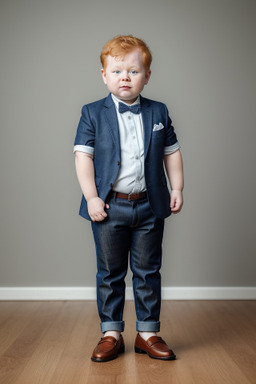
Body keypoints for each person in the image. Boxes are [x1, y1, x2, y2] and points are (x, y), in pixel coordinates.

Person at [74, 35, 184, 362]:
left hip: (150, 204)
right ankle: (111, 332)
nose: (125, 77)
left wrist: (177, 187)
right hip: (109, 206)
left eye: (134, 71)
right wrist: (92, 197)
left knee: (148, 271)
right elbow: (83, 157)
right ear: (104, 75)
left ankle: (148, 332)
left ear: (146, 76)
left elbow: (172, 153)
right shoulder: (93, 113)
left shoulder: (158, 111)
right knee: (110, 272)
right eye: (117, 71)